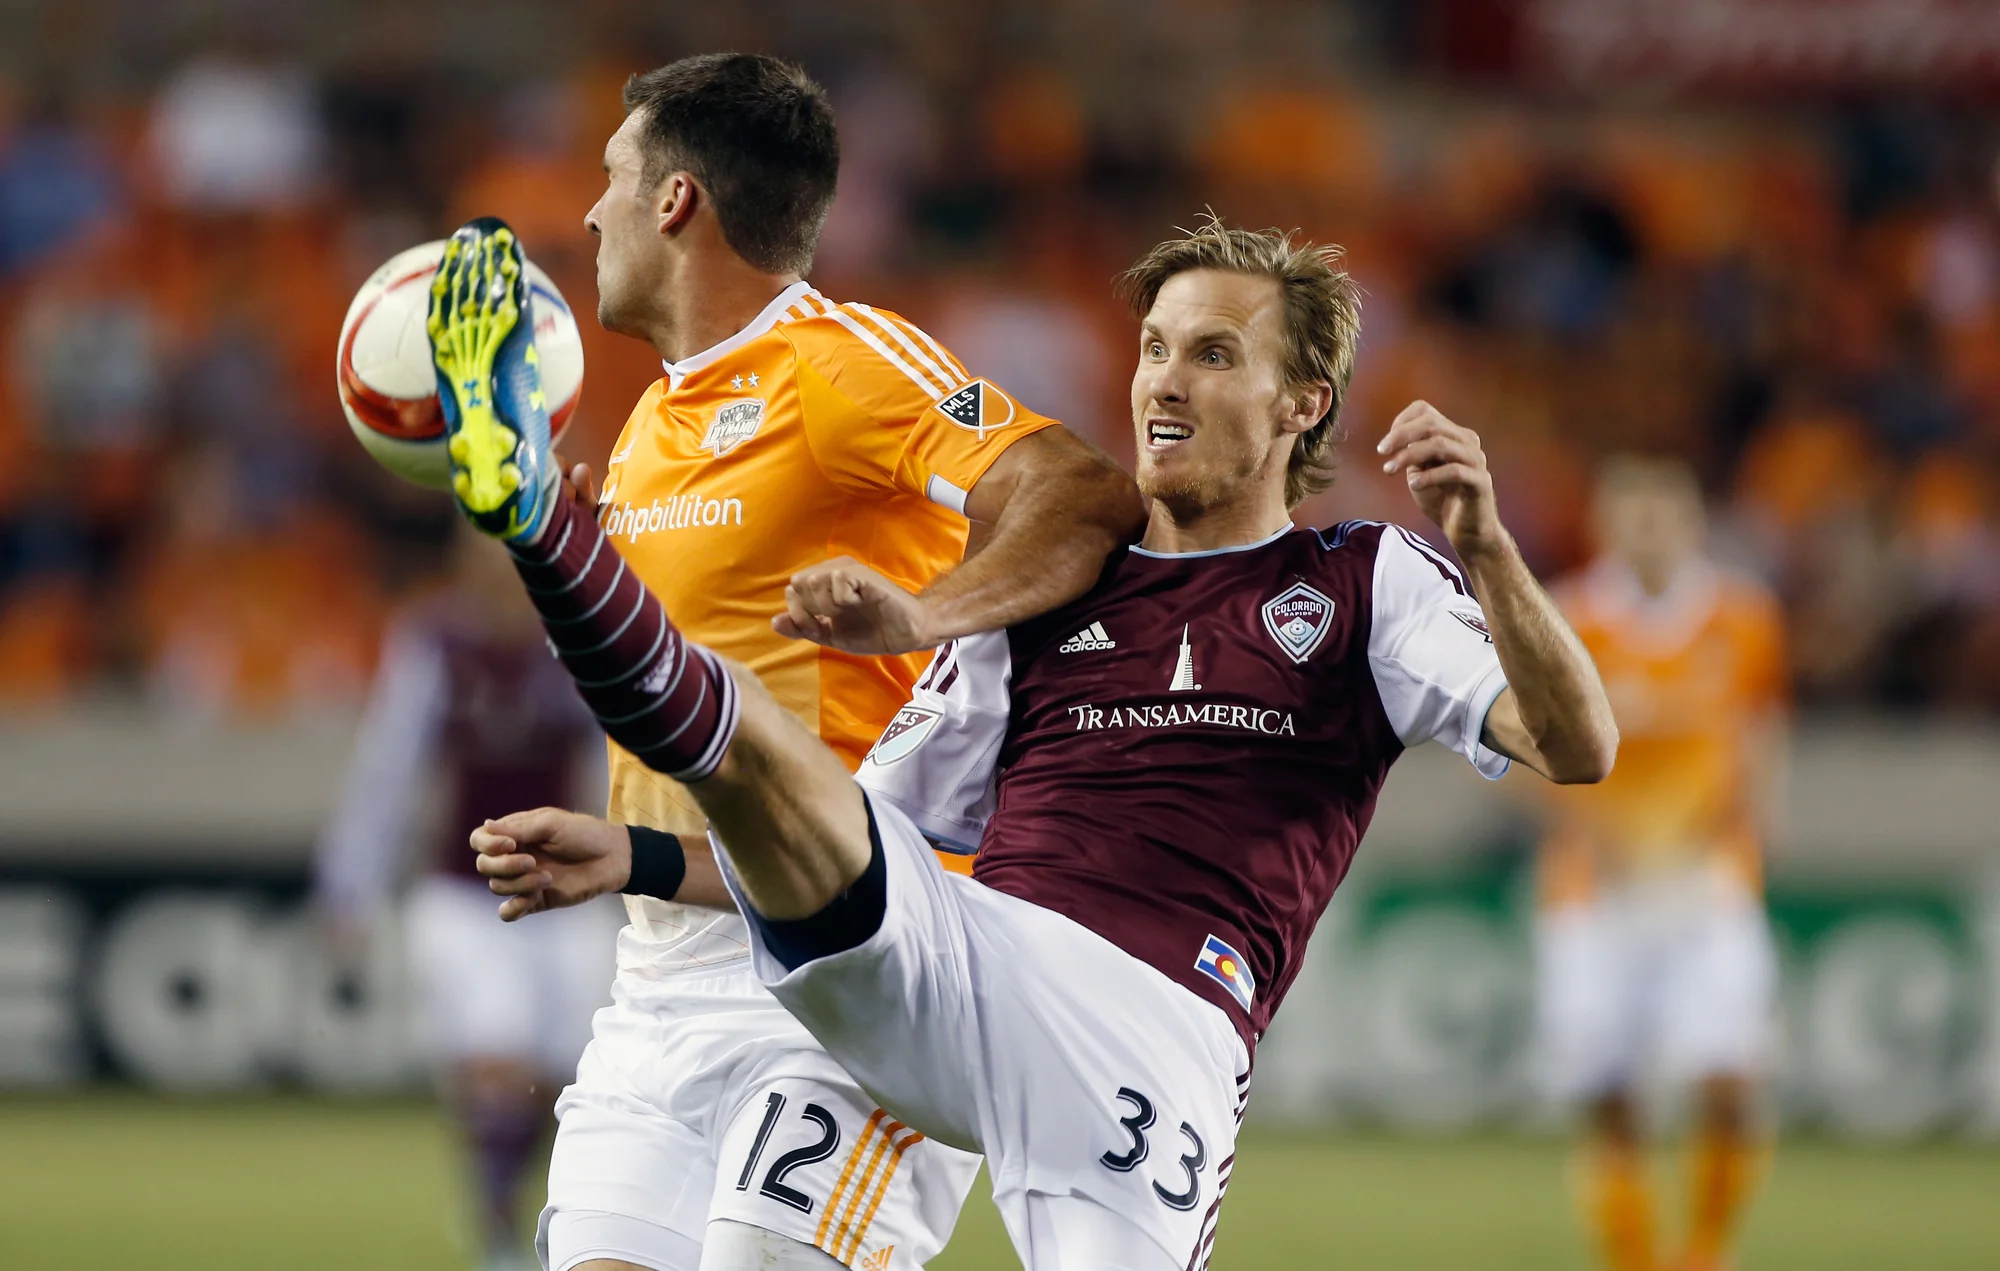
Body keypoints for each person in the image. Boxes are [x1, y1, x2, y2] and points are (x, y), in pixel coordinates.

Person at [455, 216, 1620, 1268]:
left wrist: (1486, 547)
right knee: (760, 738)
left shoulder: (1364, 580)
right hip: (972, 957)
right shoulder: (1049, 589)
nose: (1163, 379)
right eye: (1154, 347)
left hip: (1155, 1028)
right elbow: (850, 843)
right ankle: (542, 530)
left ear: (1300, 402)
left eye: (1212, 354)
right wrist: (641, 856)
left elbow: (1577, 745)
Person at [426, 53, 1141, 1271]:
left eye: (611, 179)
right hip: (661, 971)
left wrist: (922, 612)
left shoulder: (837, 361)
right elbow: (694, 705)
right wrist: (633, 845)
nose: (589, 212)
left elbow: (1075, 491)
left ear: (675, 200)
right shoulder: (652, 420)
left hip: (854, 977)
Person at [314, 527, 618, 1271]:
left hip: (562, 893)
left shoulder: (575, 640)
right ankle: (497, 1232)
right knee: (494, 1051)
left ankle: (515, 1200)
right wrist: (350, 880)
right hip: (463, 887)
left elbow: (613, 758)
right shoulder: (434, 644)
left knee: (565, 1074)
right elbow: (388, 767)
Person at [1536, 456, 1788, 1271]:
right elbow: (1521, 748)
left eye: (1663, 513)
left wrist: (1749, 826)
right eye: (1632, 514)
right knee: (1607, 1091)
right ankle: (1637, 1259)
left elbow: (1761, 737)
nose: (1648, 530)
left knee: (1729, 1076)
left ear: (1693, 521)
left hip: (1707, 882)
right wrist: (1584, 822)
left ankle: (1706, 1251)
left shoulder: (1743, 618)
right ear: (1605, 525)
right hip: (1595, 890)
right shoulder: (1567, 617)